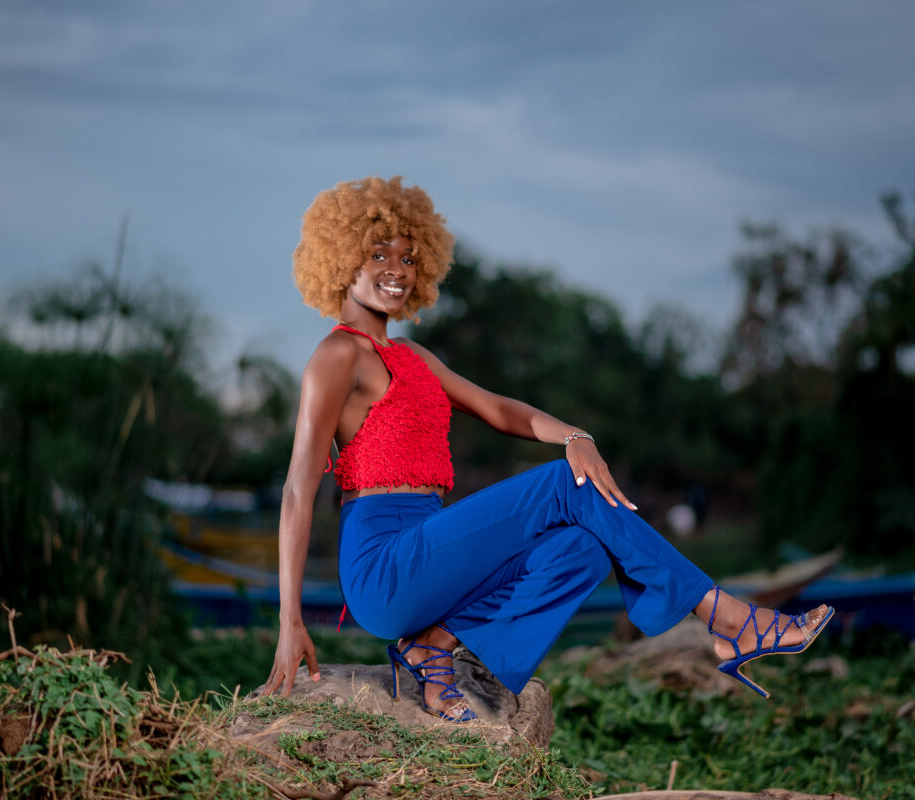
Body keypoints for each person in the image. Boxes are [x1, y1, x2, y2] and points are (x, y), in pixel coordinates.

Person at [261, 176, 833, 719]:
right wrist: (291, 621)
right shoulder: (336, 357)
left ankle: (433, 646)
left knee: (583, 547)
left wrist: (575, 435)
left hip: (433, 554)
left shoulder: (417, 359)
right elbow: (296, 489)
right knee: (566, 483)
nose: (397, 270)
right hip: (384, 566)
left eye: (409, 258)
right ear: (342, 259)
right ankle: (728, 616)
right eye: (380, 254)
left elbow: (501, 410)